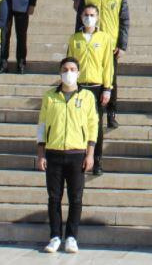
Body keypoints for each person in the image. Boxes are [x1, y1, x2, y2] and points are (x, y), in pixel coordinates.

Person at [37, 57, 99, 254]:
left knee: (75, 197)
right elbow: (42, 126)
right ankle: (55, 236)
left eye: (73, 69)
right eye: (65, 69)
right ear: (60, 73)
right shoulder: (50, 96)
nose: (69, 72)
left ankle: (72, 237)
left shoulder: (87, 96)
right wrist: (41, 153)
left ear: (79, 73)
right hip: (54, 152)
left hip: (77, 153)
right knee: (54, 197)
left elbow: (92, 126)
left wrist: (90, 154)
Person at [65, 5, 115, 177]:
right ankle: (80, 158)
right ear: (80, 17)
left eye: (92, 15)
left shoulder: (105, 38)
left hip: (96, 86)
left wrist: (107, 88)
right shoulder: (75, 38)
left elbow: (108, 65)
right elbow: (69, 62)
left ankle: (97, 160)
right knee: (78, 123)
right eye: (86, 15)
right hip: (78, 86)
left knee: (96, 126)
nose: (89, 18)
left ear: (98, 17)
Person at [79, 0, 129, 129]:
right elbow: (79, 20)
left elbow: (124, 22)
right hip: (89, 43)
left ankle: (111, 113)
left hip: (111, 46)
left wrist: (122, 45)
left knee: (111, 81)